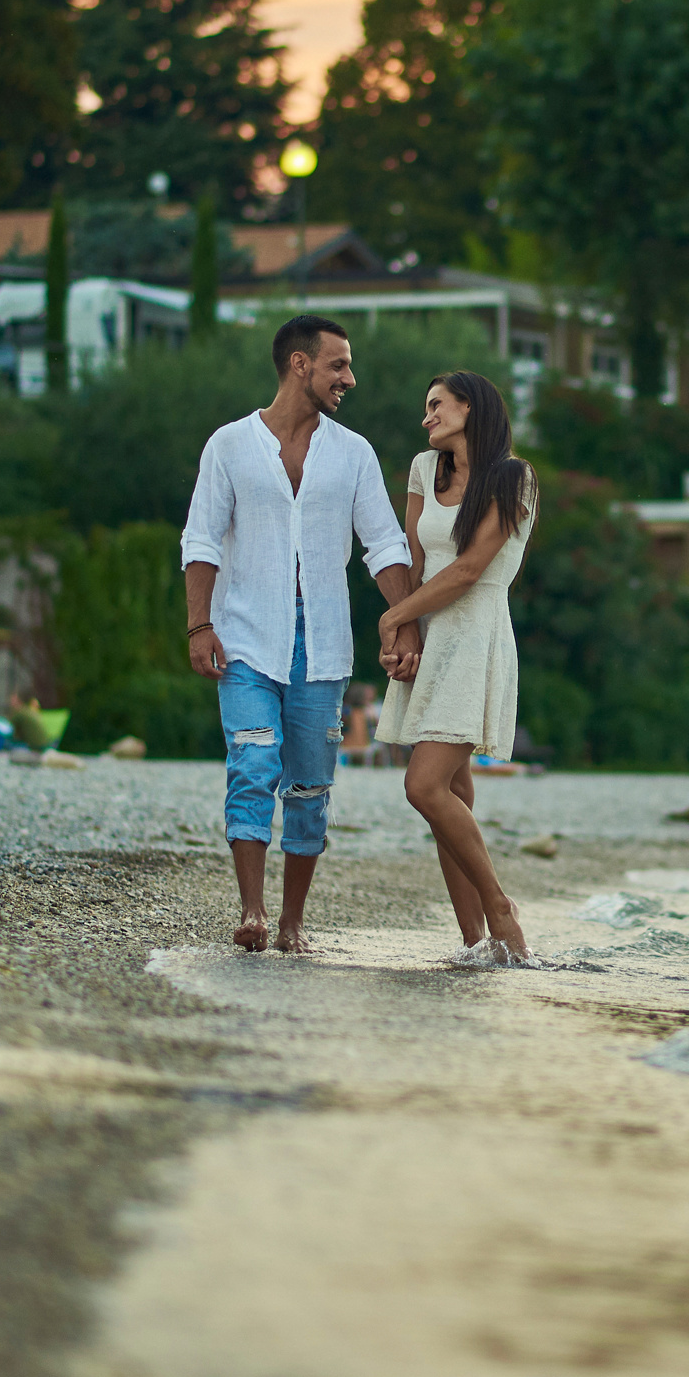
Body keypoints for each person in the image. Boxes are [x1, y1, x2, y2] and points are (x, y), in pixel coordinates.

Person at [182, 314, 419, 955]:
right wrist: (199, 622)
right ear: (299, 365)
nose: (350, 377)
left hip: (323, 643)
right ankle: (253, 912)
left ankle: (293, 922)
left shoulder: (354, 453)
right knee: (253, 763)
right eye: (338, 365)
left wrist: (405, 628)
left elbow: (384, 545)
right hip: (245, 637)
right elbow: (200, 538)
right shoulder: (229, 445)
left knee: (310, 786)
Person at [374, 370, 539, 965]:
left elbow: (470, 569)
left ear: (470, 408)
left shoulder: (512, 477)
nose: (427, 417)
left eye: (436, 406)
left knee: (423, 786)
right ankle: (475, 944)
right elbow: (417, 560)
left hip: (475, 636)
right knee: (450, 792)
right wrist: (406, 629)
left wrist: (391, 620)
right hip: (431, 635)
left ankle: (500, 908)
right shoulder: (425, 468)